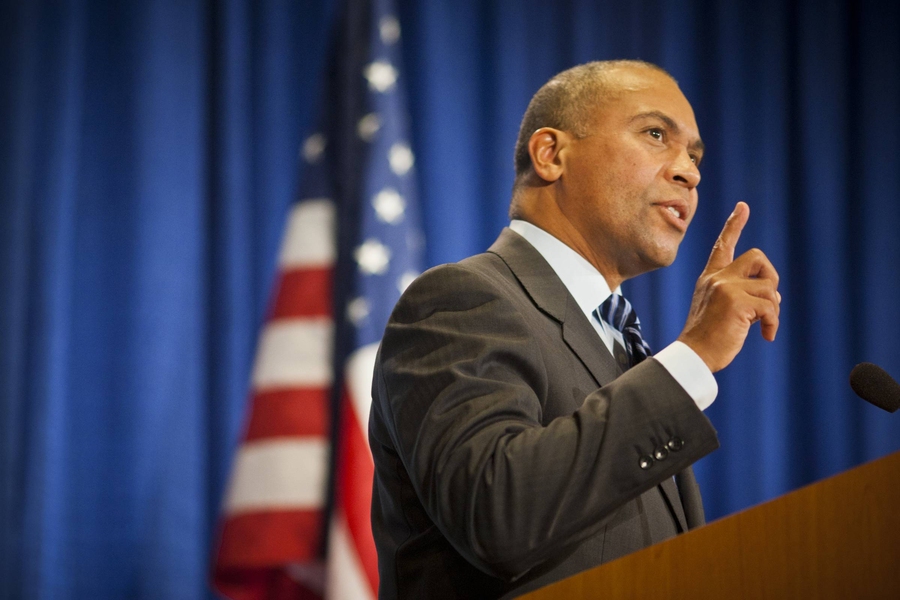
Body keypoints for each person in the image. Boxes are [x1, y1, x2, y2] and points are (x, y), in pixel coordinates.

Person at [368, 60, 780, 599]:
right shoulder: (460, 300)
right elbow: (499, 513)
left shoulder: (621, 344)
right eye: (656, 135)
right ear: (551, 154)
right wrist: (694, 355)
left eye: (695, 156)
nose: (690, 172)